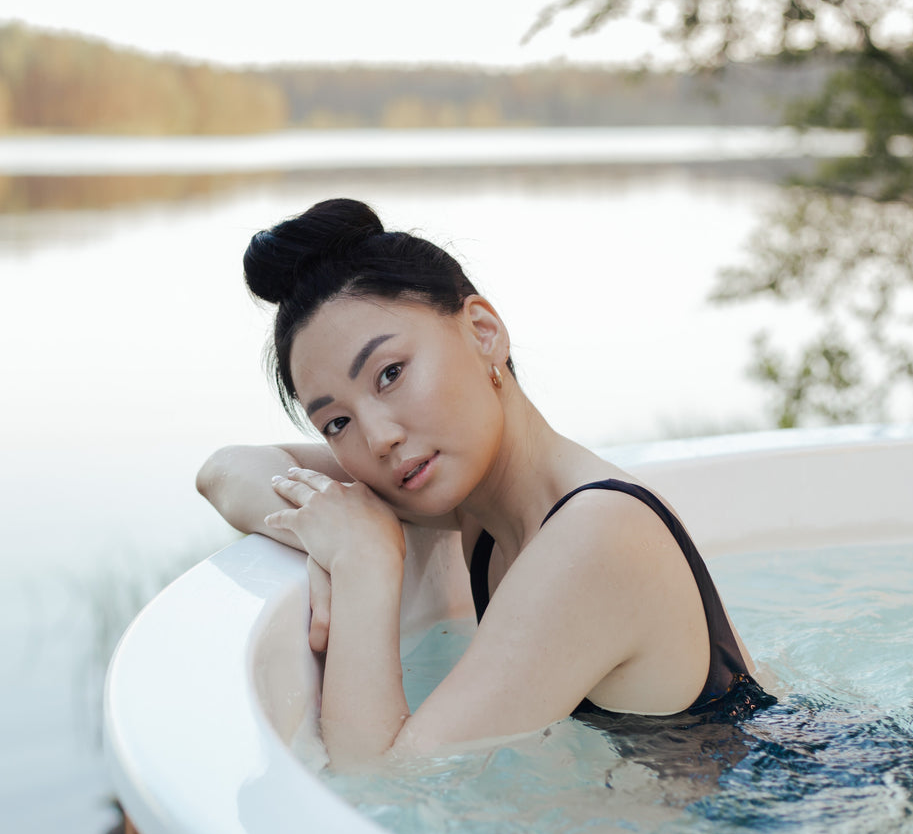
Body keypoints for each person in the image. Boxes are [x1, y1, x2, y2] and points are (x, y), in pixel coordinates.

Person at [196, 198, 773, 768]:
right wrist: (346, 537)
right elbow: (223, 471)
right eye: (336, 422)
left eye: (390, 374)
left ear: (482, 331)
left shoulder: (597, 533)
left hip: (795, 814)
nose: (377, 439)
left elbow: (384, 777)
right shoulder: (477, 503)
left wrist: (361, 563)